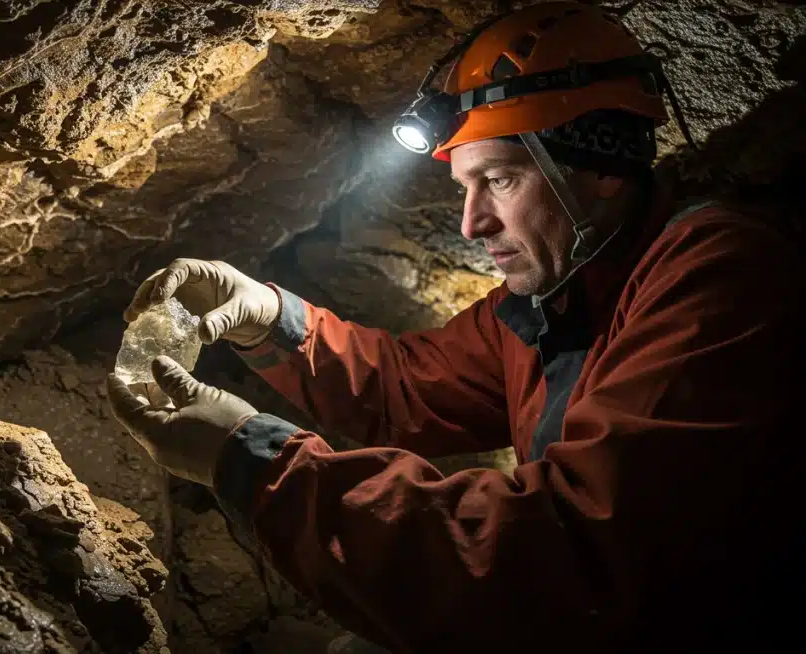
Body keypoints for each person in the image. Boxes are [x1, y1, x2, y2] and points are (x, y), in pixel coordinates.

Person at [106, 2, 803, 651]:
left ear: (601, 167)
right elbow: (409, 386)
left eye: (498, 180)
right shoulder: (558, 296)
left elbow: (563, 556)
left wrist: (250, 460)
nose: (471, 224)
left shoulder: (721, 281)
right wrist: (271, 319)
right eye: (464, 188)